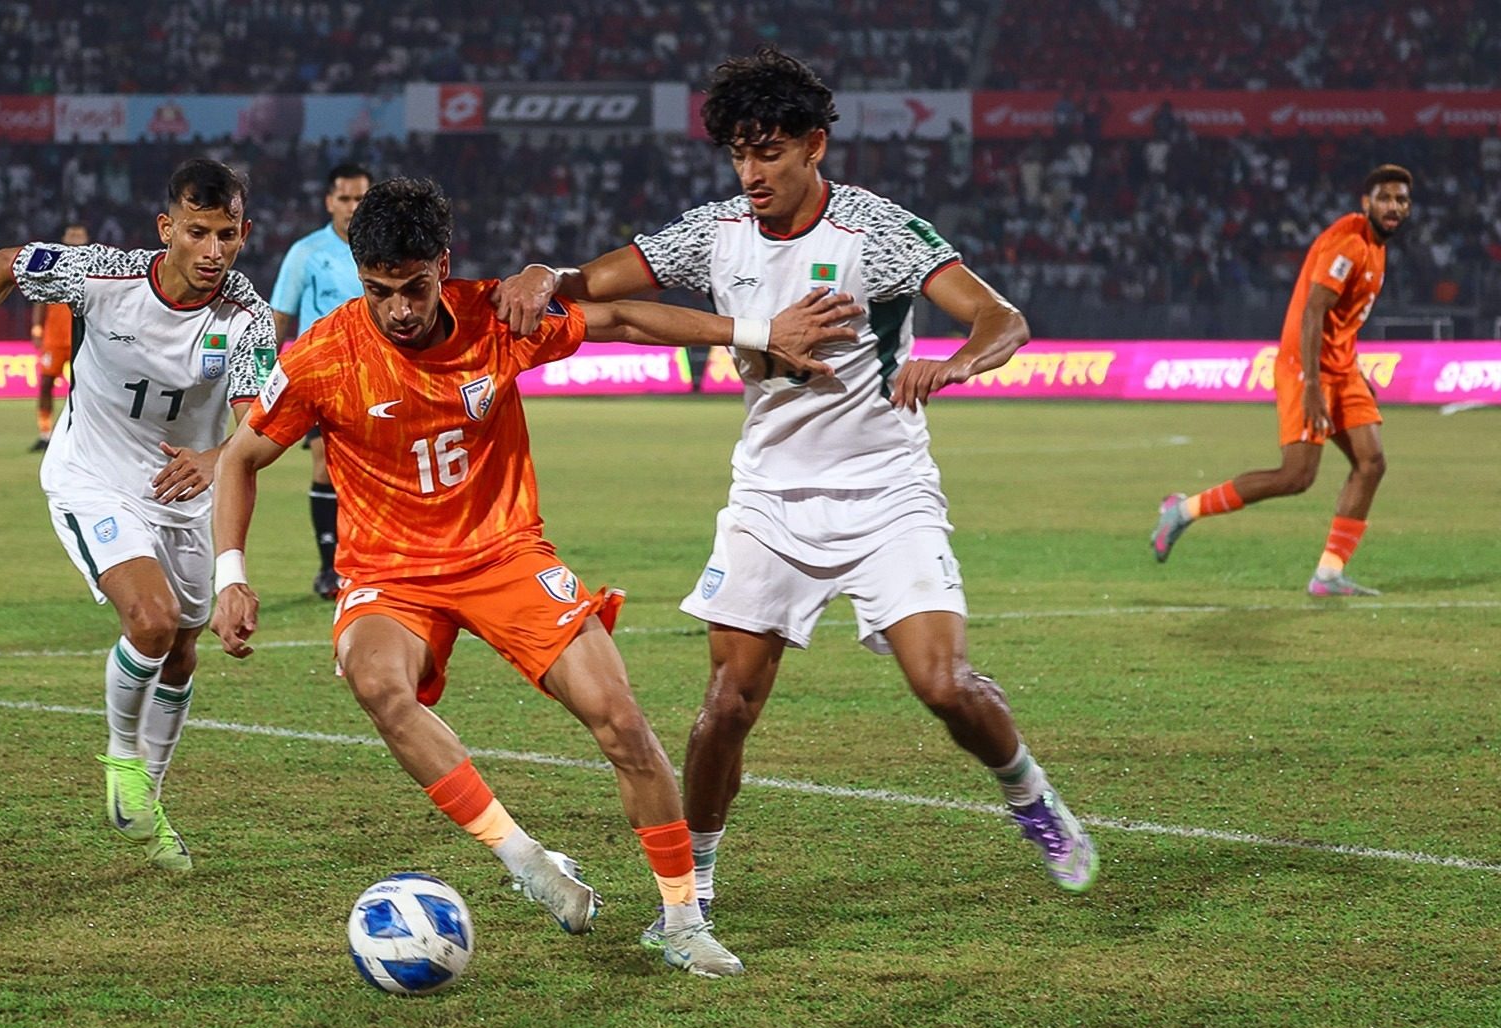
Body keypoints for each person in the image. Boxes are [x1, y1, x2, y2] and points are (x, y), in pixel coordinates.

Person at [494, 48, 1098, 952]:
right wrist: (548, 273)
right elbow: (597, 282)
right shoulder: (715, 232)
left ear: (814, 146)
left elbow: (1000, 317)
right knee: (726, 706)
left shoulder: (875, 231)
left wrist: (958, 362)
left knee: (943, 684)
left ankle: (1029, 794)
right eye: (739, 152)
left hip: (887, 492)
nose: (751, 171)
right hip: (770, 499)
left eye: (769, 151)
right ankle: (693, 888)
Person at [210, 177, 861, 978]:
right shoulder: (323, 356)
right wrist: (232, 574)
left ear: (443, 266)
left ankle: (682, 921)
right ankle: (526, 861)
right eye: (379, 291)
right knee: (379, 684)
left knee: (620, 719)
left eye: (414, 288)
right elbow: (240, 458)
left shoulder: (497, 319)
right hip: (391, 573)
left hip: (506, 555)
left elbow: (622, 318)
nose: (399, 310)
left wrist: (757, 331)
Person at [0, 158, 274, 873]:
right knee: (151, 620)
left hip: (182, 495)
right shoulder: (101, 275)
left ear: (244, 233)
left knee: (183, 648)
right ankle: (121, 759)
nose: (212, 251)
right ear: (166, 228)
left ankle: (148, 796)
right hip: (95, 478)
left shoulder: (245, 317)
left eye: (226, 235)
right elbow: (6, 264)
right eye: (196, 232)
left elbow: (255, 424)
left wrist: (217, 457)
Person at [1152, 165, 1413, 596]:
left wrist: (1356, 372)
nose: (1394, 207)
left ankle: (1328, 574)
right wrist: (1312, 385)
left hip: (1342, 368)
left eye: (1401, 200)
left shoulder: (1377, 247)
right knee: (1296, 476)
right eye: (1385, 198)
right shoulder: (1347, 243)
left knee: (1371, 463)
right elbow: (1313, 311)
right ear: (1366, 203)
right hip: (1304, 367)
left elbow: (1340, 321)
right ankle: (1182, 510)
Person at [270, 163, 372, 600]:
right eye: (345, 198)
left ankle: (373, 561)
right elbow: (279, 318)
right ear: (330, 201)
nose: (352, 207)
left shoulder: (385, 250)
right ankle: (329, 567)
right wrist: (264, 376)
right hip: (322, 377)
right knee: (326, 464)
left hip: (380, 378)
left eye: (360, 198)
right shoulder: (306, 253)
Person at [29, 222, 90, 452]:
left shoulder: (93, 265)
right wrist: (37, 328)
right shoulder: (51, 265)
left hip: (81, 338)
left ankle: (79, 435)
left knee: (83, 388)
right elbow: (40, 299)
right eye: (71, 234)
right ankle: (45, 434)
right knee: (46, 384)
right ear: (63, 238)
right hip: (54, 339)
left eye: (79, 234)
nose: (75, 238)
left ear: (86, 238)